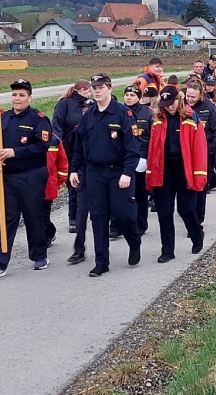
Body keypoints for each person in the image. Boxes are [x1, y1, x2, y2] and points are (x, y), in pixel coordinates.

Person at [70, 73, 141, 277]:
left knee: (122, 215)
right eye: (94, 87)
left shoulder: (123, 114)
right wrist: (74, 169)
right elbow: (79, 146)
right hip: (94, 172)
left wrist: (127, 173)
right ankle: (102, 262)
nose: (97, 90)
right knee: (98, 217)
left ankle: (134, 241)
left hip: (119, 171)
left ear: (110, 88)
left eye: (101, 87)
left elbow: (132, 149)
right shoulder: (89, 115)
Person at [0, 79, 52, 279]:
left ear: (29, 97)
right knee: (5, 220)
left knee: (34, 216)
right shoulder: (2, 119)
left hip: (30, 175)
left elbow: (42, 147)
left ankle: (39, 255)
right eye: (14, 94)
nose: (18, 98)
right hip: (5, 177)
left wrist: (16, 152)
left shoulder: (38, 119)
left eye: (22, 95)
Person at [146, 85, 207, 263]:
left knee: (186, 209)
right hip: (164, 170)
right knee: (164, 211)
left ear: (179, 100)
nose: (170, 107)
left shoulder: (190, 118)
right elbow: (152, 149)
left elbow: (199, 148)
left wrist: (199, 174)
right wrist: (150, 174)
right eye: (166, 104)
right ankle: (167, 250)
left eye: (172, 103)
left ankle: (197, 234)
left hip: (185, 169)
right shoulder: (157, 119)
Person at [52, 79, 91, 233]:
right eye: (88, 90)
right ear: (81, 90)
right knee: (73, 185)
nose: (90, 93)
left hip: (87, 150)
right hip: (69, 149)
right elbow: (57, 125)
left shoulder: (90, 104)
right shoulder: (64, 104)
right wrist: (58, 147)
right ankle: (73, 218)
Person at [185, 79, 216, 225]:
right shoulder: (181, 108)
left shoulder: (209, 108)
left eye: (193, 97)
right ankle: (189, 214)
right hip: (186, 154)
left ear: (200, 94)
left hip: (206, 153)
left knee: (200, 187)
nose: (190, 99)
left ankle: (197, 219)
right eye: (188, 96)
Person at [67, 98, 96, 265]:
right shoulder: (78, 130)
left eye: (88, 109)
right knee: (82, 211)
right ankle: (79, 249)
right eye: (83, 110)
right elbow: (76, 152)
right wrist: (73, 171)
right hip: (84, 172)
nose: (85, 113)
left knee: (104, 213)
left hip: (103, 172)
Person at [123, 84, 153, 236]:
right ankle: (118, 225)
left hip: (141, 158)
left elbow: (152, 138)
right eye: (127, 95)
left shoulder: (147, 114)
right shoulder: (119, 112)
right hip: (123, 159)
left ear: (139, 97)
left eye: (132, 95)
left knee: (140, 194)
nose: (129, 98)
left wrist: (148, 158)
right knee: (122, 194)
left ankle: (141, 224)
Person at [44, 133, 69, 248]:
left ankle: (47, 235)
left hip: (49, 184)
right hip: (31, 184)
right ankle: (46, 232)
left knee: (44, 213)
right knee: (35, 213)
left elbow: (62, 163)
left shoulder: (54, 140)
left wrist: (59, 181)